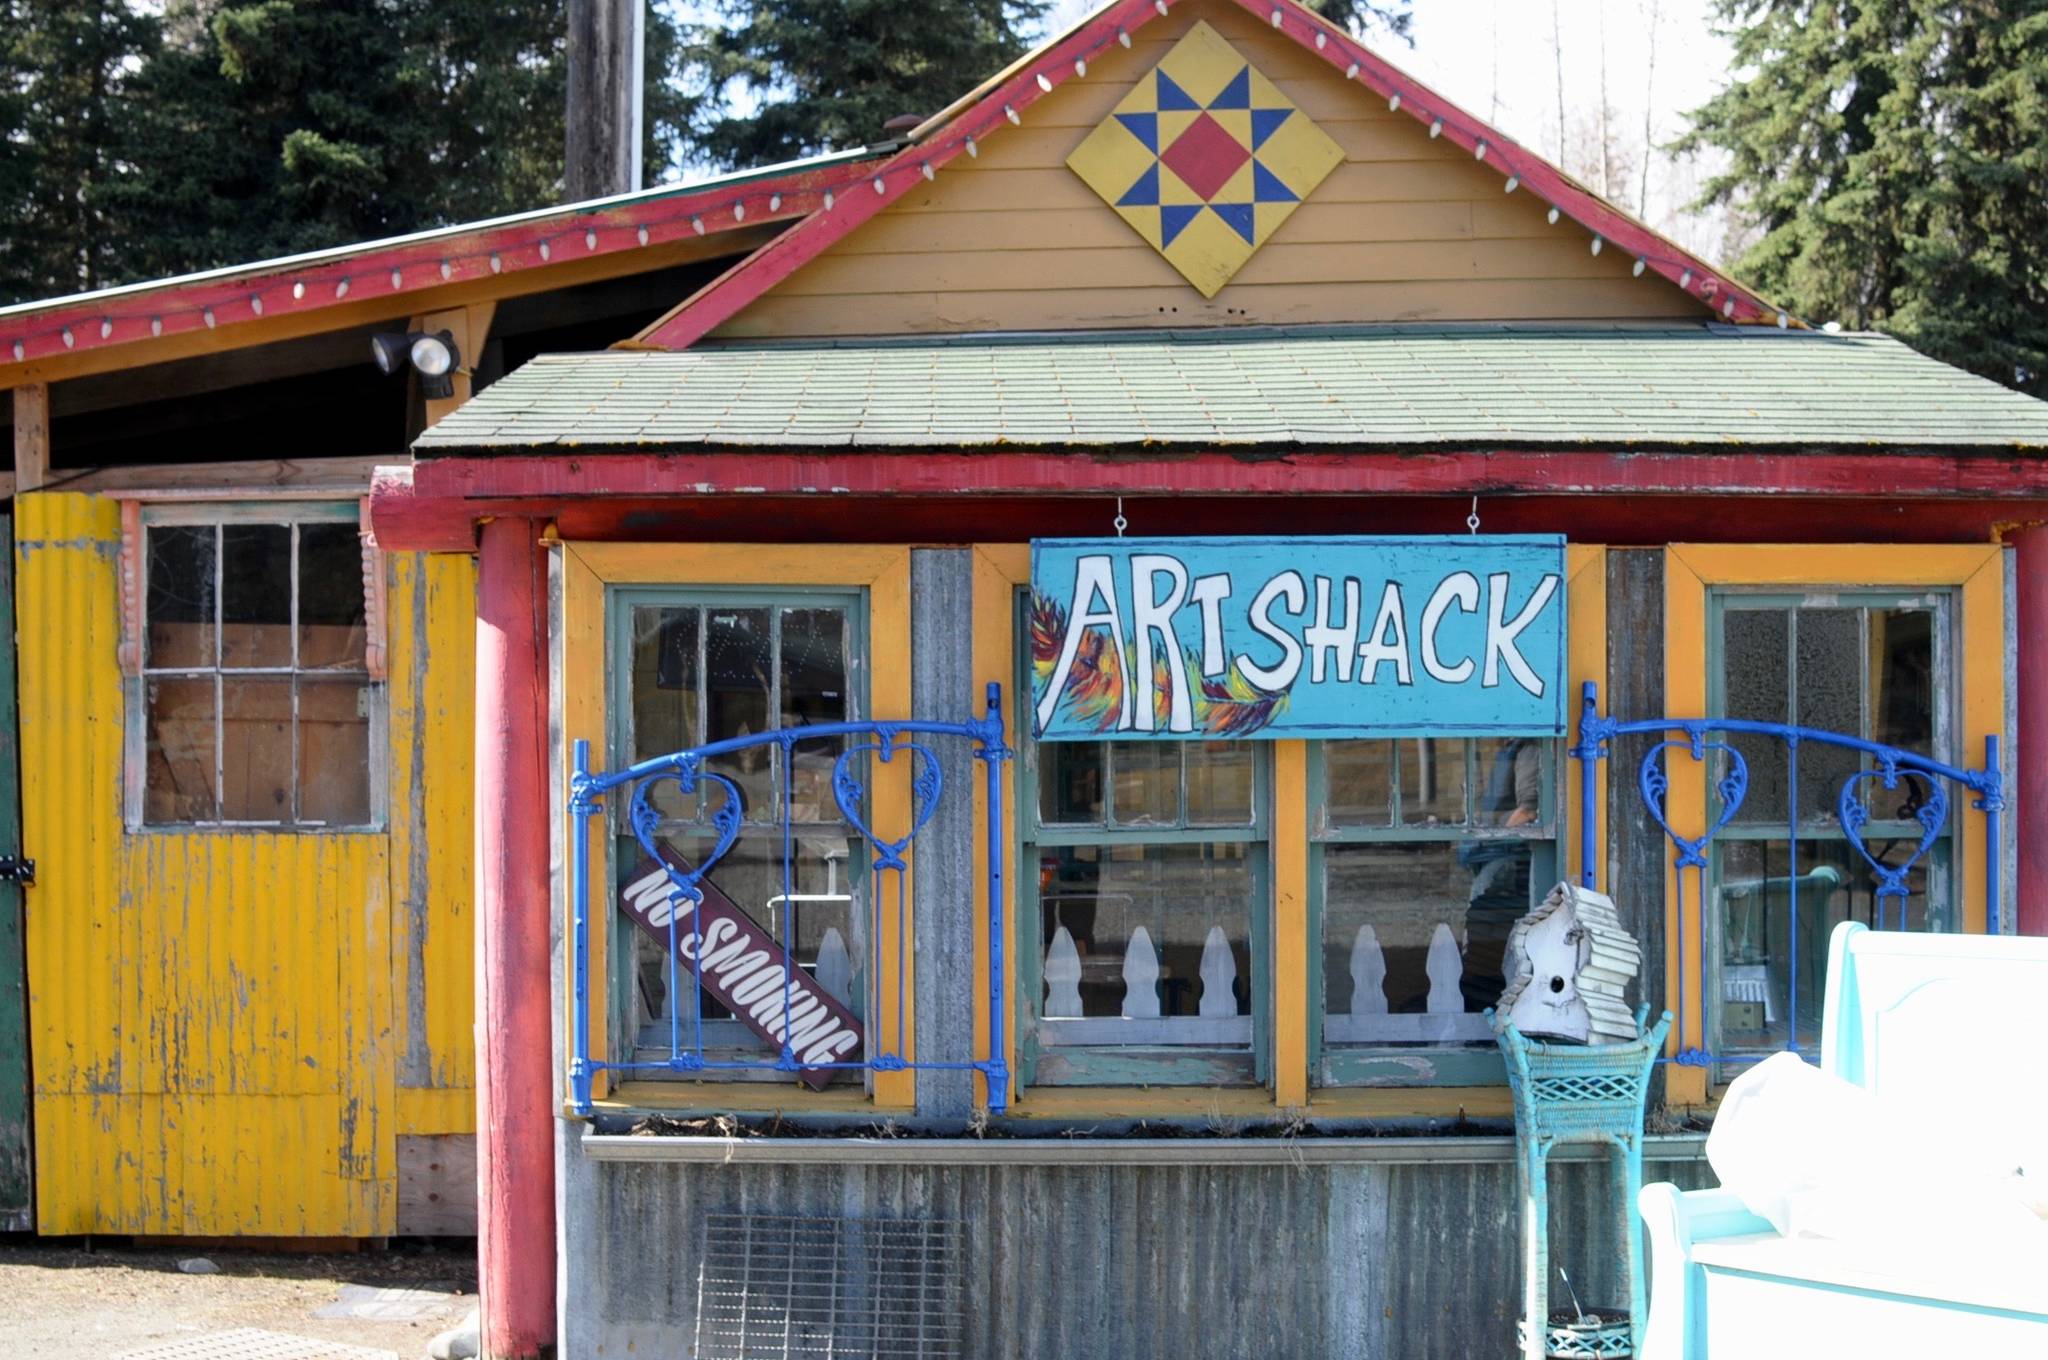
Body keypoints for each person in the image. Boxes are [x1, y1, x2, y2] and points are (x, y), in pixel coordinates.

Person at [1459, 739, 1540, 1013]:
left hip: (1506, 861)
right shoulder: (1516, 747)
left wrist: (1491, 839)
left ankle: (1491, 1006)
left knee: (1491, 941)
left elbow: (1529, 810)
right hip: (1499, 857)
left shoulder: (1528, 748)